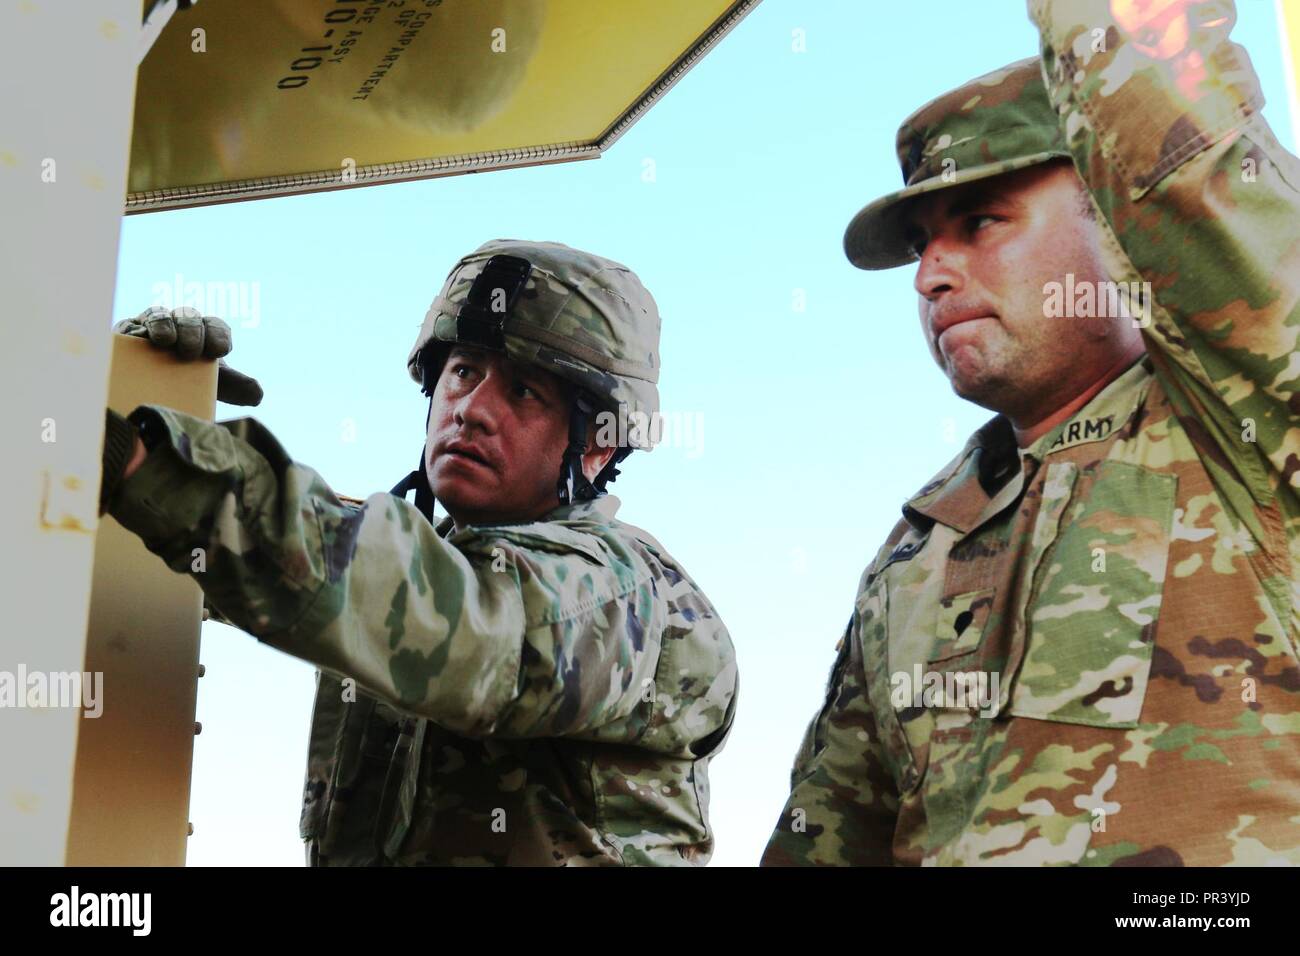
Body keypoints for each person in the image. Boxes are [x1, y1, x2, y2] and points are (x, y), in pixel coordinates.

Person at [763, 0, 1300, 865]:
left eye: (979, 223)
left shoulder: (1243, 421)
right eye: (922, 244)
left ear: (1113, 215)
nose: (931, 276)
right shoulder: (916, 549)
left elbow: (1181, 152)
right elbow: (828, 836)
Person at [101, 239, 738, 866]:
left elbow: (466, 627)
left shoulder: (623, 594)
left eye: (524, 394)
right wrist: (137, 384)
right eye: (463, 372)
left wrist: (137, 457)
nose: (472, 411)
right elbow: (238, 562)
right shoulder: (406, 562)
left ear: (596, 445)